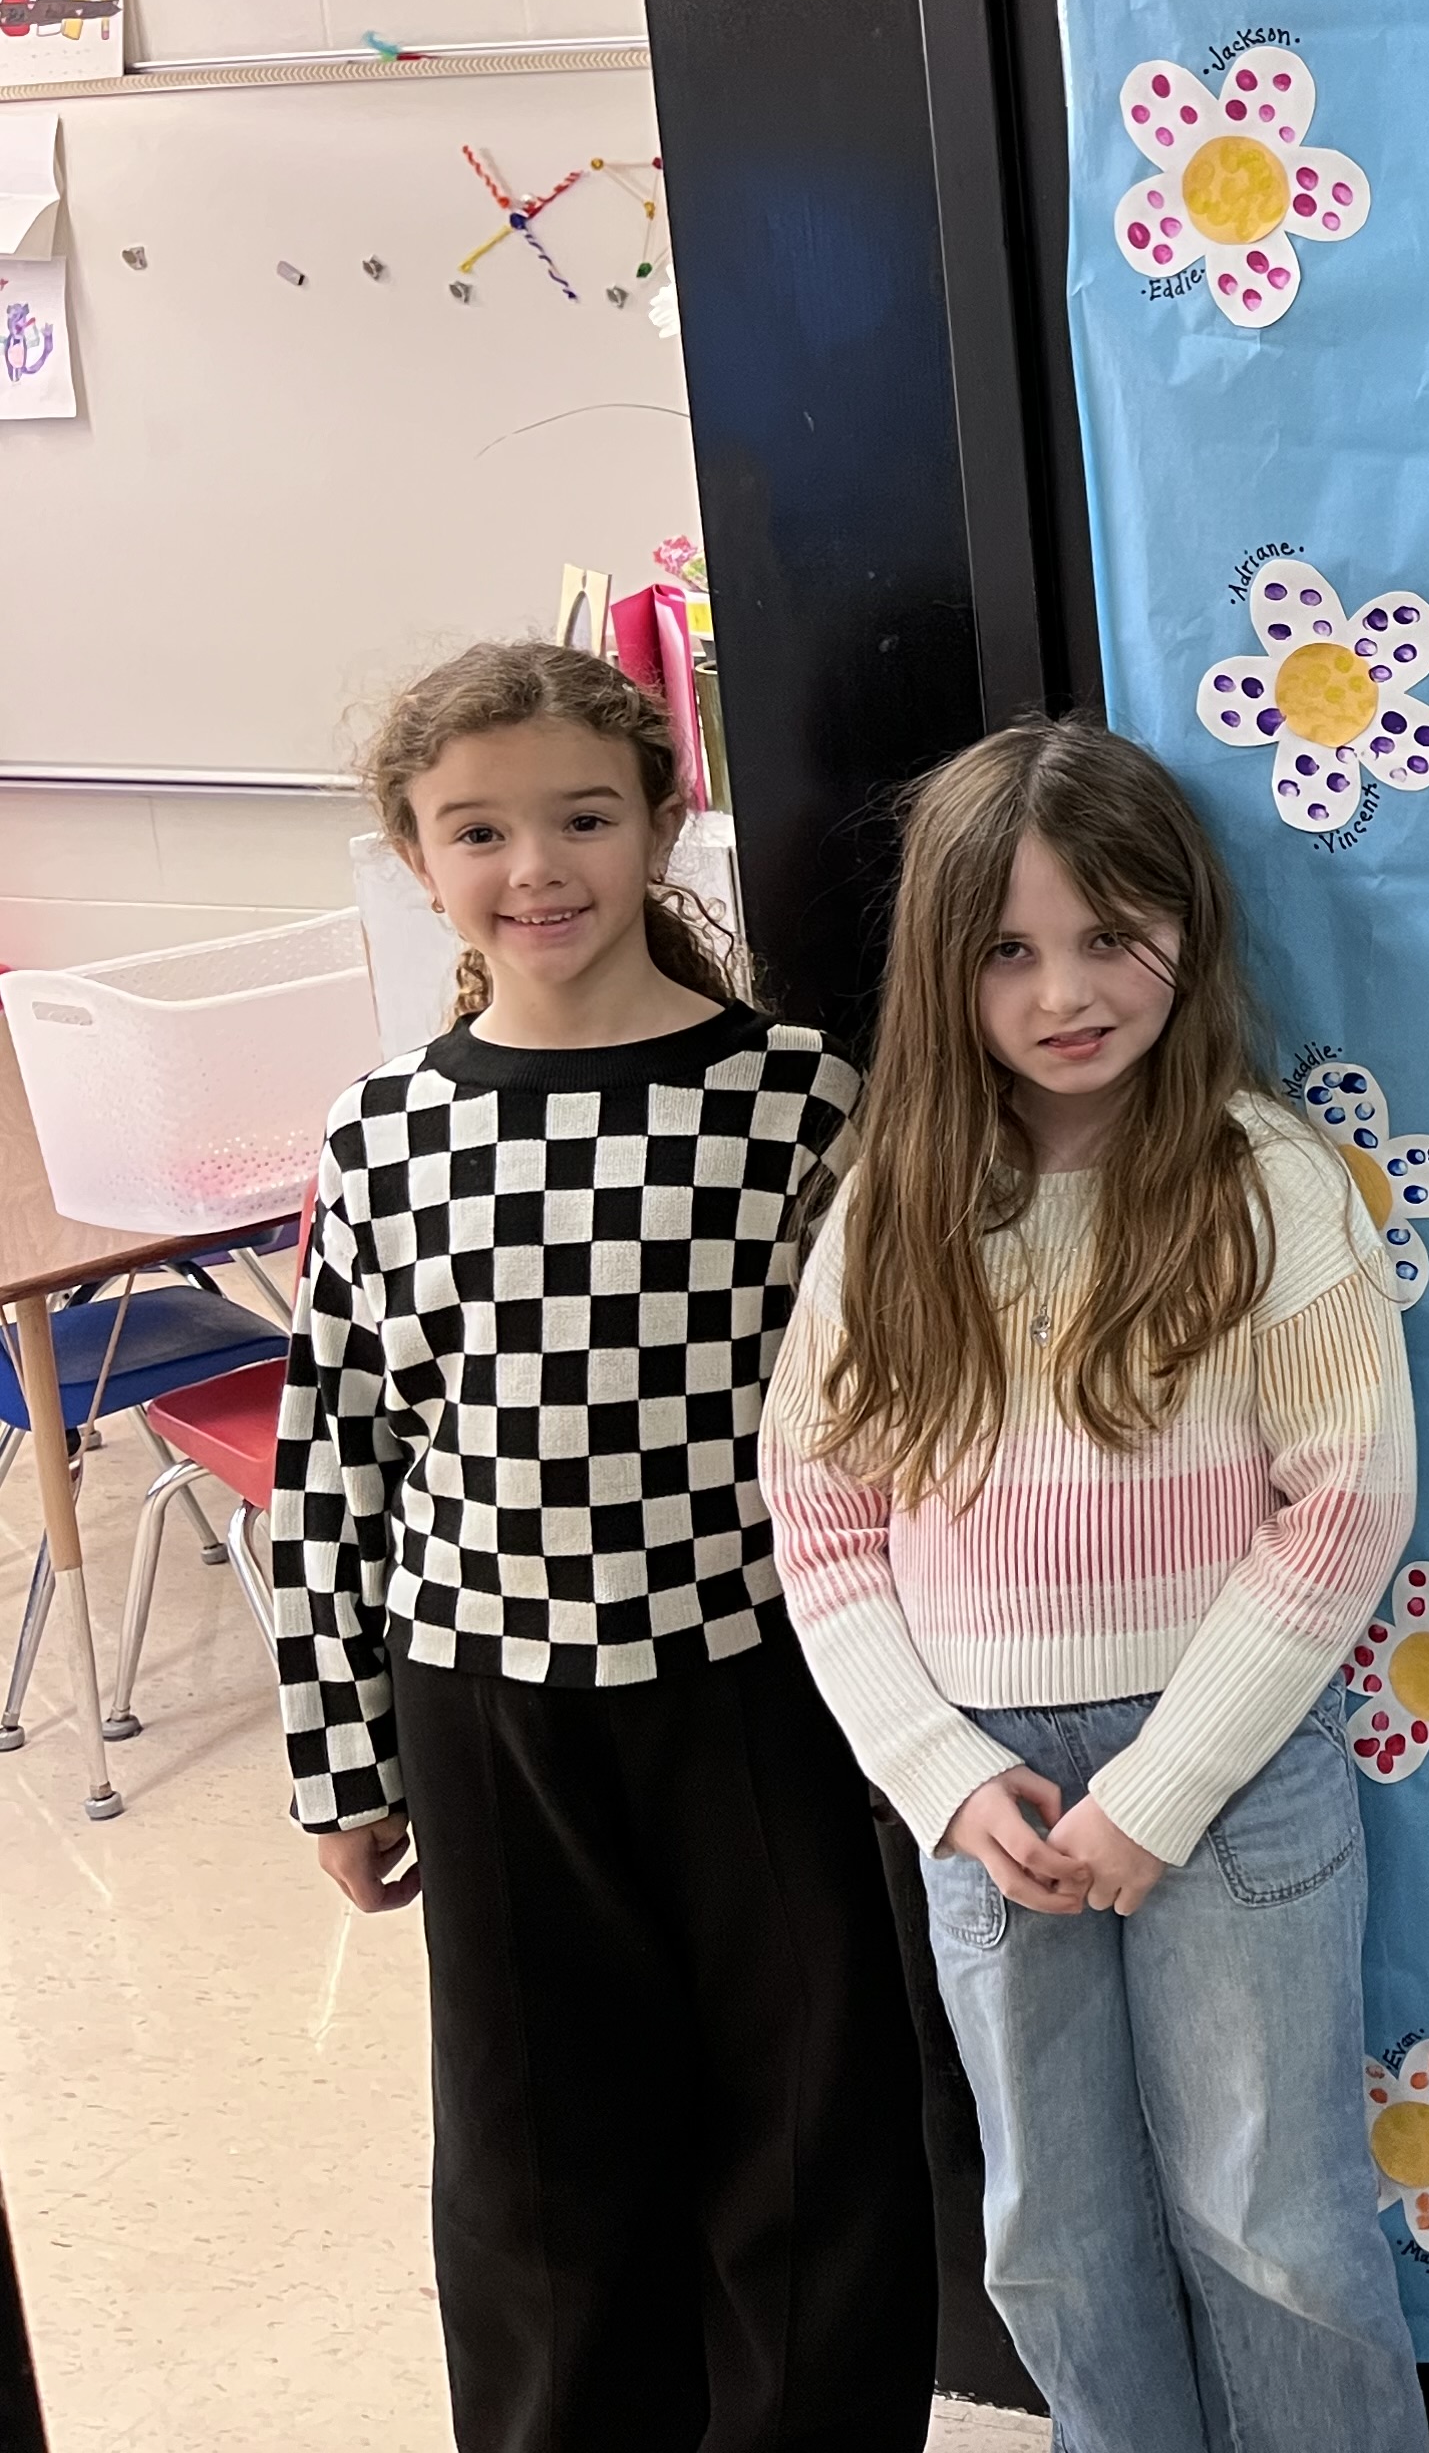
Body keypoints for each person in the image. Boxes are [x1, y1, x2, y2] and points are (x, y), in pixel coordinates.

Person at [268, 640, 935, 2453]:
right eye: (475, 830)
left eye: (580, 817)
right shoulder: (386, 1132)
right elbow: (336, 1456)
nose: (534, 866)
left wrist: (919, 1721)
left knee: (811, 2124)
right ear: (416, 858)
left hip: (754, 1686)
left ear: (661, 821)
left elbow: (887, 1415)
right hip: (486, 1708)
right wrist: (340, 1763)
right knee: (534, 2152)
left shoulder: (802, 1096)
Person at [762, 719, 1429, 2453]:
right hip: (990, 1788)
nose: (1068, 990)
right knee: (1050, 2242)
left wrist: (1166, 1784)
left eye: (1110, 934)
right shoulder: (896, 1207)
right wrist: (940, 1770)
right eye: (1009, 949)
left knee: (1273, 2227)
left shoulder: (1263, 1178)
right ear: (943, 968)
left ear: (1188, 932)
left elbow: (1344, 1507)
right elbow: (823, 1521)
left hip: (1229, 1773)